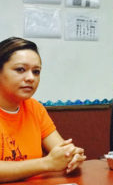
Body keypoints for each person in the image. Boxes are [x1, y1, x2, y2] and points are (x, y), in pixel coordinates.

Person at [0, 37, 86, 183]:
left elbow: (61, 152)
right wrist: (46, 163)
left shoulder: (34, 107)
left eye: (36, 72)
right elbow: (51, 162)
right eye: (20, 69)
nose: (30, 78)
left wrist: (72, 156)